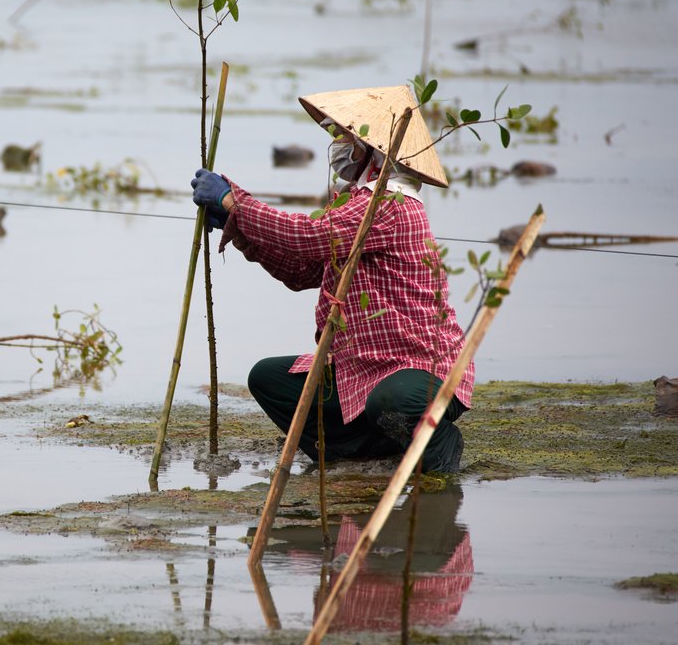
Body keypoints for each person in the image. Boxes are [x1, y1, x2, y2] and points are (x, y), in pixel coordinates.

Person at [190, 85, 473, 472]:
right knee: (268, 378)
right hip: (364, 365)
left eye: (345, 137)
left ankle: (438, 443)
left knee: (391, 402)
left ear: (372, 148)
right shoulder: (357, 202)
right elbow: (302, 269)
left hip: (420, 367)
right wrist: (239, 228)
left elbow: (304, 235)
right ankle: (366, 452)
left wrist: (234, 201)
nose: (337, 144)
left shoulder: (391, 204)